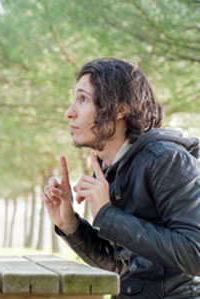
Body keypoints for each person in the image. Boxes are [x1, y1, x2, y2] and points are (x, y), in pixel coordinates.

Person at [42, 58, 200, 298]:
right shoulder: (109, 169)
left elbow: (195, 254)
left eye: (83, 99)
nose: (69, 113)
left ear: (120, 109)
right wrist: (70, 225)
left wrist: (107, 214)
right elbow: (121, 267)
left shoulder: (166, 160)